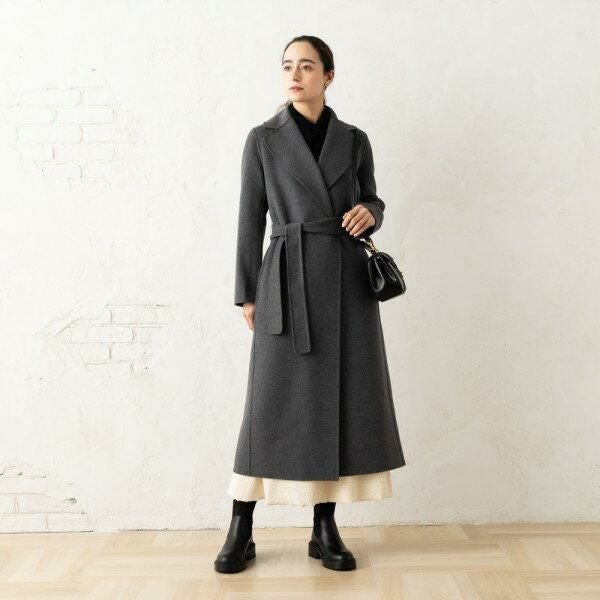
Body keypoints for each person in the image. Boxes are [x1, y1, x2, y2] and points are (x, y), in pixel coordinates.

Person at [215, 35, 406, 574]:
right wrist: (246, 292)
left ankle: (325, 528)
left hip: (345, 282)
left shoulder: (355, 139)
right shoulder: (263, 139)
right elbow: (249, 216)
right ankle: (241, 525)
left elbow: (372, 196)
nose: (294, 76)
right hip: (285, 277)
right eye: (287, 67)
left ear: (329, 76)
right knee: (269, 404)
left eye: (306, 66)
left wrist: (370, 211)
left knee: (336, 402)